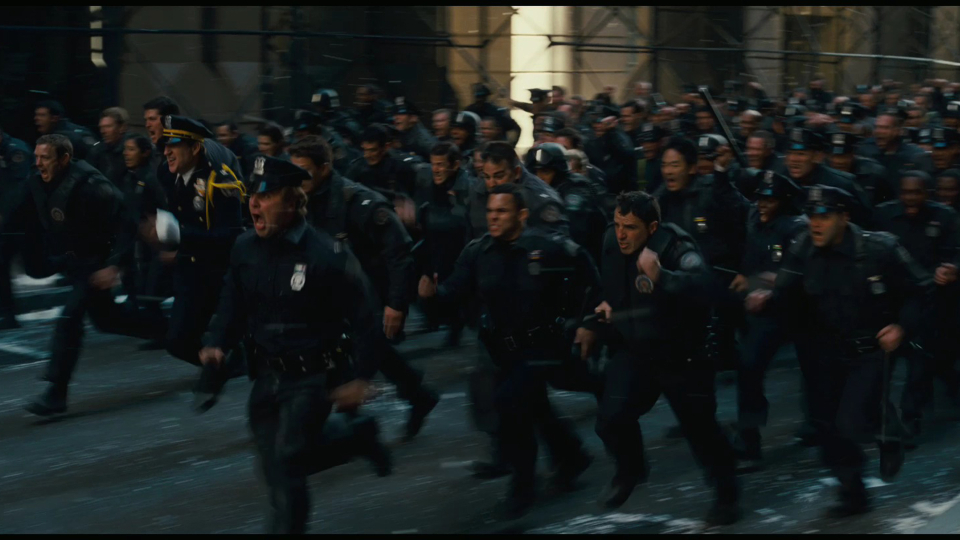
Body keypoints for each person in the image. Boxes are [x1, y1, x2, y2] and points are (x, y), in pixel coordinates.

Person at [201, 155, 391, 534]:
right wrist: (216, 341)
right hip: (266, 376)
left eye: (266, 196)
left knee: (288, 459)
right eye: (253, 195)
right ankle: (355, 435)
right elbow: (231, 301)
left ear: (291, 202)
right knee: (275, 466)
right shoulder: (245, 248)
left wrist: (361, 377)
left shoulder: (327, 255)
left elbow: (367, 319)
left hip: (313, 377)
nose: (255, 204)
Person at [746, 185, 934, 517]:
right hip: (823, 352)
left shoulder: (880, 248)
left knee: (850, 422)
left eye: (824, 216)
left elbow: (922, 291)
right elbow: (786, 292)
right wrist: (766, 297)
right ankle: (853, 492)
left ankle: (887, 429)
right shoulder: (803, 246)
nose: (815, 223)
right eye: (811, 216)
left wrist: (901, 326)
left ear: (843, 217)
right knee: (826, 428)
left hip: (869, 349)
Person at [419, 182, 597, 519]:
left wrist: (588, 321)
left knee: (510, 403)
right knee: (534, 405)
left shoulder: (546, 247)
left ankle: (523, 487)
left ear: (522, 215)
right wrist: (430, 296)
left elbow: (588, 275)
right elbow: (453, 292)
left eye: (502, 211)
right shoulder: (478, 252)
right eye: (490, 211)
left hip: (544, 344)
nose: (494, 217)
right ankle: (572, 456)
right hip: (505, 348)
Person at [580, 190, 741, 525]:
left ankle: (726, 494)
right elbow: (606, 285)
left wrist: (662, 276)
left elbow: (708, 288)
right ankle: (631, 469)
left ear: (651, 227)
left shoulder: (675, 246)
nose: (621, 234)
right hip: (636, 350)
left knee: (700, 430)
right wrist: (597, 315)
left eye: (630, 227)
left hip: (682, 355)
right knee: (610, 418)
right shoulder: (611, 241)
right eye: (618, 224)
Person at [289, 136, 441, 441]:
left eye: (305, 170)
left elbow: (399, 254)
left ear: (324, 168)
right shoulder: (304, 198)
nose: (298, 178)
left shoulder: (357, 202)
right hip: (335, 291)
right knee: (369, 351)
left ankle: (352, 424)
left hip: (371, 291)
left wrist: (396, 304)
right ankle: (416, 394)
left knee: (358, 355)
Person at [7, 135, 166, 415]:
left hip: (98, 262)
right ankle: (179, 335)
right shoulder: (36, 182)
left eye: (45, 158)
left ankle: (56, 392)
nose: (38, 163)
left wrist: (113, 266)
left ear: (64, 159)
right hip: (75, 261)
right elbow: (13, 216)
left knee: (70, 318)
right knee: (109, 320)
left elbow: (126, 226)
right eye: (37, 157)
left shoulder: (92, 186)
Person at [142, 115, 248, 413]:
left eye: (174, 145)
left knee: (220, 332)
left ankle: (216, 373)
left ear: (195, 148)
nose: (166, 151)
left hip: (220, 271)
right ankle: (230, 361)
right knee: (177, 342)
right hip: (189, 267)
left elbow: (232, 236)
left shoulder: (221, 179)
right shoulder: (166, 172)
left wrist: (180, 236)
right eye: (165, 145)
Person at [872, 171, 960, 446]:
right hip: (889, 298)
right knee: (882, 361)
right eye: (906, 192)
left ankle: (911, 417)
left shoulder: (945, 216)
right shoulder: (883, 215)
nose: (910, 198)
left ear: (928, 194)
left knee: (920, 359)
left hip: (929, 298)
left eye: (916, 192)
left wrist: (953, 268)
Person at [728, 170, 808, 469]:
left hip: (798, 309)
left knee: (818, 373)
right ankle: (749, 441)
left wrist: (774, 287)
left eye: (770, 200)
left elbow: (802, 269)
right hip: (766, 313)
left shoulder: (796, 227)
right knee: (748, 366)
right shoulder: (755, 221)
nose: (763, 204)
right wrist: (745, 277)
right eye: (761, 198)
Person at [117, 134, 168, 315]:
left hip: (154, 244)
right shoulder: (128, 178)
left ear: (145, 152)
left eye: (131, 149)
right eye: (125, 149)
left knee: (151, 291)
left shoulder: (151, 178)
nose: (126, 153)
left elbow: (166, 208)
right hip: (134, 244)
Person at [0, 125, 32, 329]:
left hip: (23, 218)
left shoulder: (16, 150)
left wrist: (3, 214)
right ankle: (8, 313)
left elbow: (17, 189)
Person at [85, 107, 130, 186]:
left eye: (108, 126)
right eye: (101, 127)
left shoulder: (134, 150)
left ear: (122, 127)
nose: (103, 131)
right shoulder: (96, 152)